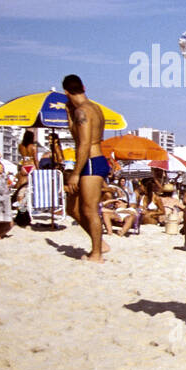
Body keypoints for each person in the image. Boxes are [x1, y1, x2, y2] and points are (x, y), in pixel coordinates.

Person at [61, 75, 109, 261]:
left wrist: (74, 174)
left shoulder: (82, 111)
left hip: (91, 161)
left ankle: (96, 253)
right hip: (92, 161)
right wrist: (68, 115)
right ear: (83, 87)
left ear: (66, 92)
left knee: (89, 210)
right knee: (71, 208)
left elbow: (84, 143)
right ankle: (100, 243)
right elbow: (78, 135)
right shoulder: (94, 108)